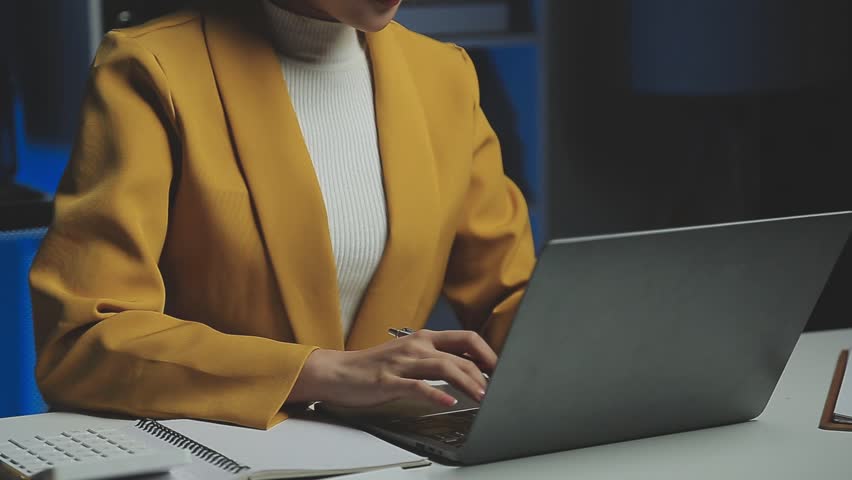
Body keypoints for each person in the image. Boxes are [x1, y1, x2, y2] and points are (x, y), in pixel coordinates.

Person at [29, 0, 535, 429]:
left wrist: (597, 360)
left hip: (391, 455)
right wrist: (321, 372)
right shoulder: (151, 67)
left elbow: (514, 300)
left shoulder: (444, 74)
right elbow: (81, 342)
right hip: (216, 452)